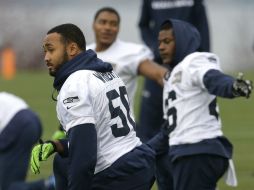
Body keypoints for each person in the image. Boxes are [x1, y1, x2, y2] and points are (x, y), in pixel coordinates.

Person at [30, 23, 170, 190]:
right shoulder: (105, 71)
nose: (46, 57)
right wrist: (57, 145)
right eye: (45, 51)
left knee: (68, 164)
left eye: (51, 49)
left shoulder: (75, 83)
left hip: (116, 173)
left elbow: (84, 155)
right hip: (137, 160)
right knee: (62, 161)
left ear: (72, 49)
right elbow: (103, 136)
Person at [160, 19, 252, 190]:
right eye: (159, 42)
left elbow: (211, 77)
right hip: (191, 152)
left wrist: (232, 86)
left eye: (167, 41)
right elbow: (169, 127)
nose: (161, 47)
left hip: (196, 150)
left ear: (182, 41)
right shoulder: (173, 75)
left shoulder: (193, 61)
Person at [138, 1, 211, 188]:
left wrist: (202, 60)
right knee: (148, 132)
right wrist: (156, 47)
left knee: (184, 126)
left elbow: (202, 26)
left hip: (185, 66)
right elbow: (143, 24)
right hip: (158, 67)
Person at [87, 7, 168, 113]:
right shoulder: (83, 53)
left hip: (119, 128)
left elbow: (159, 74)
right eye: (103, 22)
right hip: (87, 126)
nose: (107, 27)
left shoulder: (130, 53)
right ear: (93, 25)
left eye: (113, 24)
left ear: (118, 28)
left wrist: (180, 85)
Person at [0, 92, 42, 190]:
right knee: (13, 183)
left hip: (17, 125)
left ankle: (49, 185)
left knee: (9, 187)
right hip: (33, 122)